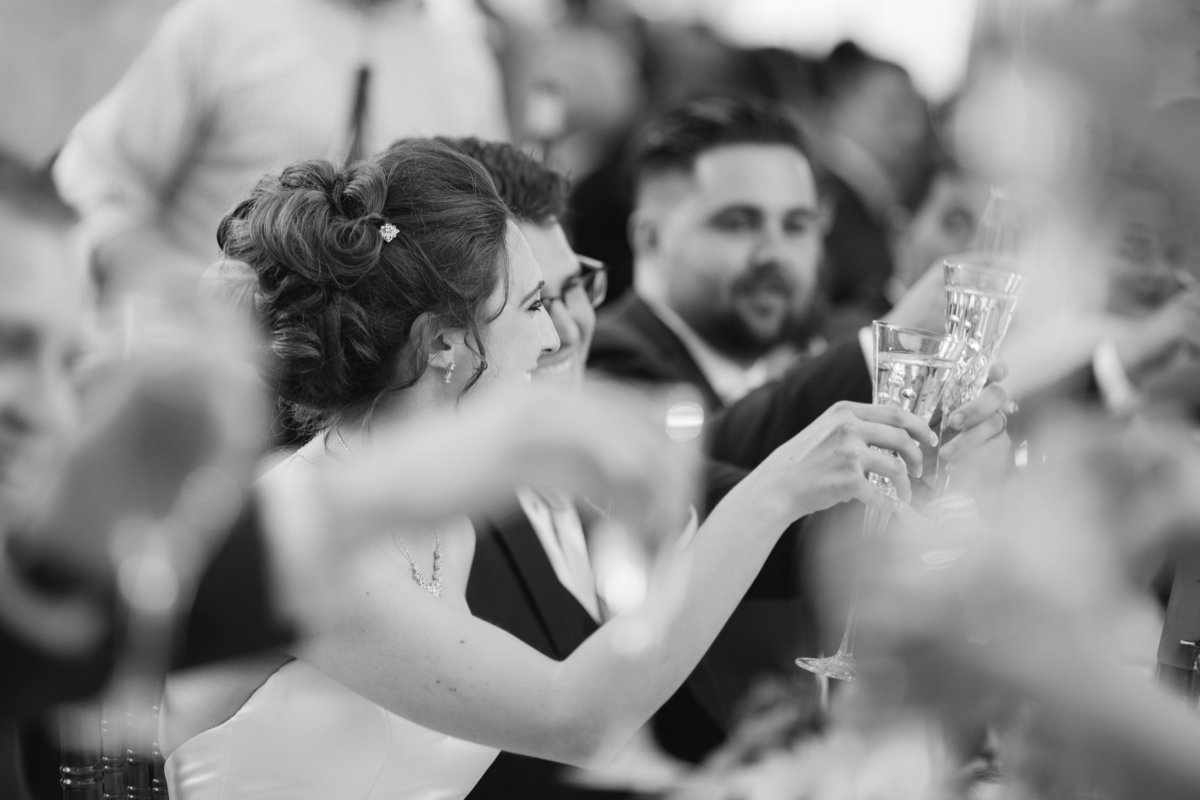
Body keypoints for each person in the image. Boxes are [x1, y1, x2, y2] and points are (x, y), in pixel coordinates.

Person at [160, 139, 942, 800]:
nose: (555, 338)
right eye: (533, 306)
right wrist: (776, 489)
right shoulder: (314, 534)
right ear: (443, 343)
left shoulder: (444, 516)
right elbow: (579, 717)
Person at [51, 0, 507, 305]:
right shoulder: (222, 20)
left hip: (384, 405)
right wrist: (170, 290)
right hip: (206, 378)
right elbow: (93, 180)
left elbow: (491, 232)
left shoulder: (465, 64)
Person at [814, 41, 930, 335]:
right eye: (895, 110)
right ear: (841, 107)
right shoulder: (825, 199)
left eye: (916, 113)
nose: (912, 130)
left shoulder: (869, 203)